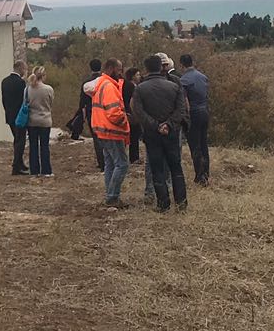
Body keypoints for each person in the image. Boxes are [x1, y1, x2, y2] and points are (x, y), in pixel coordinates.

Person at [132, 55, 191, 212]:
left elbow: (138, 111)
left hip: (152, 135)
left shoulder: (140, 88)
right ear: (161, 67)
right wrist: (169, 125)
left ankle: (163, 204)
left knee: (157, 168)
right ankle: (181, 202)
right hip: (171, 134)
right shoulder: (174, 86)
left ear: (146, 68)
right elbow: (181, 110)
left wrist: (156, 126)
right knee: (176, 167)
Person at [91, 59, 131, 209]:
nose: (121, 73)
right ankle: (113, 197)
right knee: (122, 164)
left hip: (101, 130)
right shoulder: (109, 87)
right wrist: (125, 120)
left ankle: (110, 194)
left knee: (110, 164)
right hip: (112, 131)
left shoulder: (101, 83)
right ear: (112, 68)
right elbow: (114, 113)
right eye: (119, 69)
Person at [179, 54, 212, 186]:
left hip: (193, 113)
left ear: (181, 65)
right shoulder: (203, 77)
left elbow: (184, 102)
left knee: (195, 145)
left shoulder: (183, 80)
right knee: (204, 144)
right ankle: (206, 172)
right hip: (204, 111)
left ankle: (200, 176)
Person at [24, 66, 55, 178]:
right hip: (45, 120)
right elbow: (51, 103)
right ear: (43, 76)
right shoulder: (49, 89)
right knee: (44, 146)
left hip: (32, 120)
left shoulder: (28, 89)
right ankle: (46, 170)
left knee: (33, 146)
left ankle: (34, 170)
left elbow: (25, 102)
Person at [1, 59, 30, 176]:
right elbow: (23, 101)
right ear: (20, 68)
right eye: (25, 69)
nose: (25, 71)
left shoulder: (4, 81)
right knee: (20, 141)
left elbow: (4, 100)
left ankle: (20, 163)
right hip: (19, 117)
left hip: (9, 115)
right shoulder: (20, 83)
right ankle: (16, 166)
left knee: (16, 140)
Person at [81, 58, 105, 169]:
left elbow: (82, 102)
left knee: (96, 137)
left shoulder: (86, 83)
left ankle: (101, 162)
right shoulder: (105, 81)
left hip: (92, 112)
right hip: (105, 110)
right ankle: (108, 160)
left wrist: (83, 115)